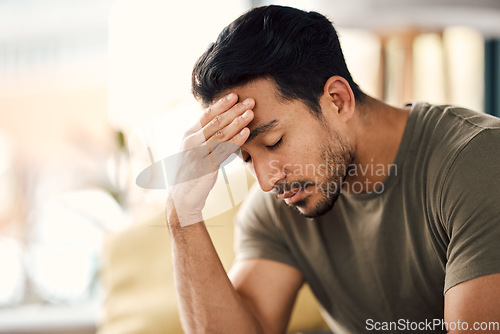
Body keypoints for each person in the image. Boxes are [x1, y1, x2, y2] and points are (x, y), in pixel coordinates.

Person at [165, 5, 500, 334]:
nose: (267, 181)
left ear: (338, 100)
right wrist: (182, 215)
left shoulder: (479, 161)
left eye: (273, 142)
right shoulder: (279, 209)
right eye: (246, 158)